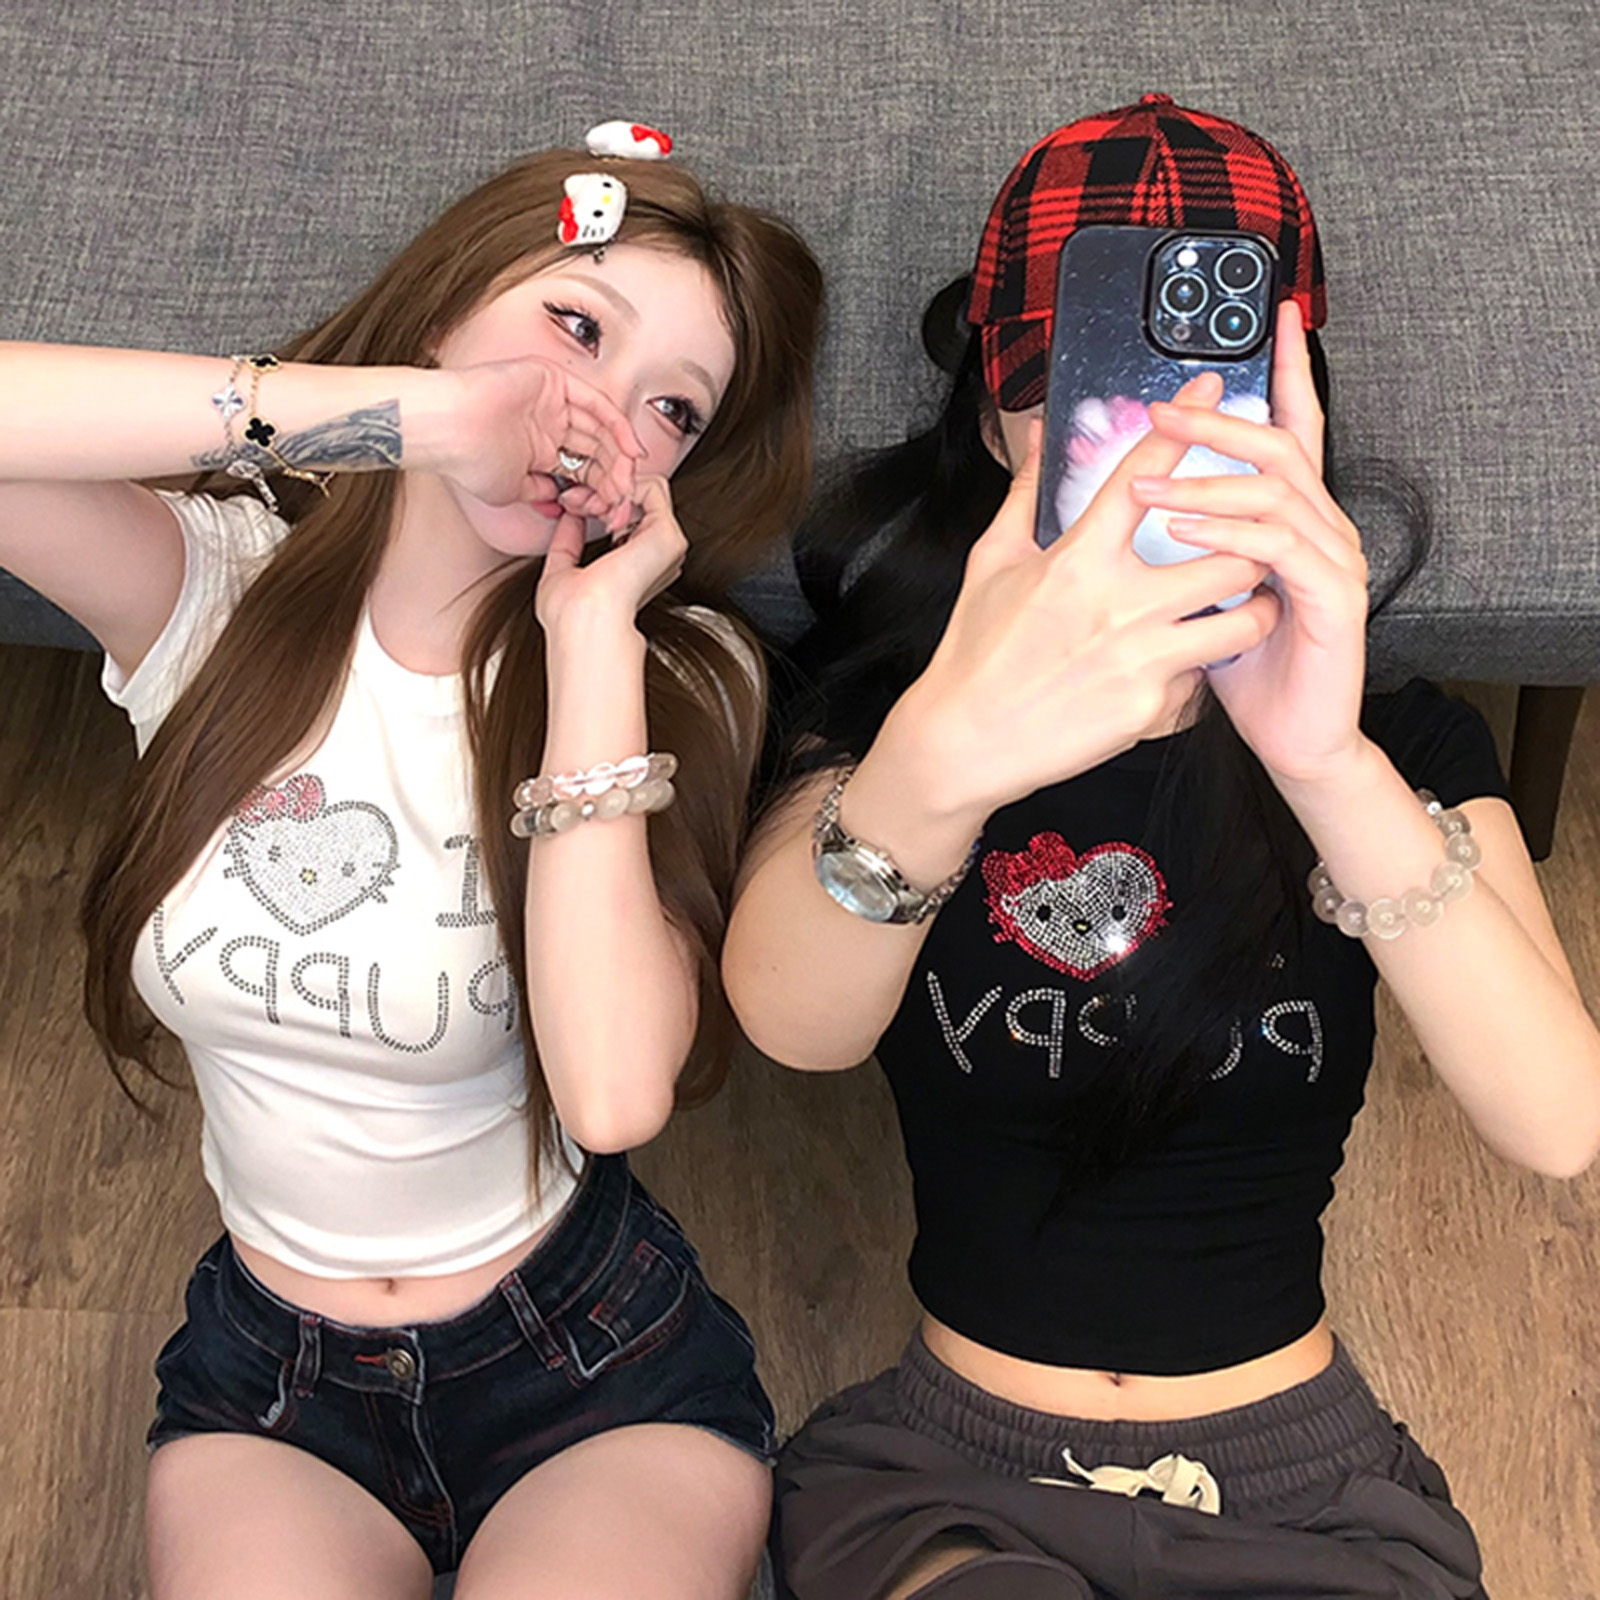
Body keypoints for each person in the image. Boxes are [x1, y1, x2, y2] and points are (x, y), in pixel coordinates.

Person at [724, 95, 1600, 1600]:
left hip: (1304, 1494)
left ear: (1292, 412)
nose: (1141, 442)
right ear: (993, 423)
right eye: (1080, 387)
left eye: (1206, 392)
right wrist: (944, 754)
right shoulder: (884, 716)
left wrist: (1322, 761)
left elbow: (1560, 1119)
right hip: (950, 1485)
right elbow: (792, 1025)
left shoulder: (1398, 740)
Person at [0, 125, 822, 1599]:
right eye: (576, 326)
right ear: (445, 308)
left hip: (592, 1361)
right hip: (273, 1383)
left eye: (672, 408)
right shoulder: (212, 593)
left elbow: (615, 1094)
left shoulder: (673, 667)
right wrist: (414, 419)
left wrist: (590, 640)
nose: (599, 413)